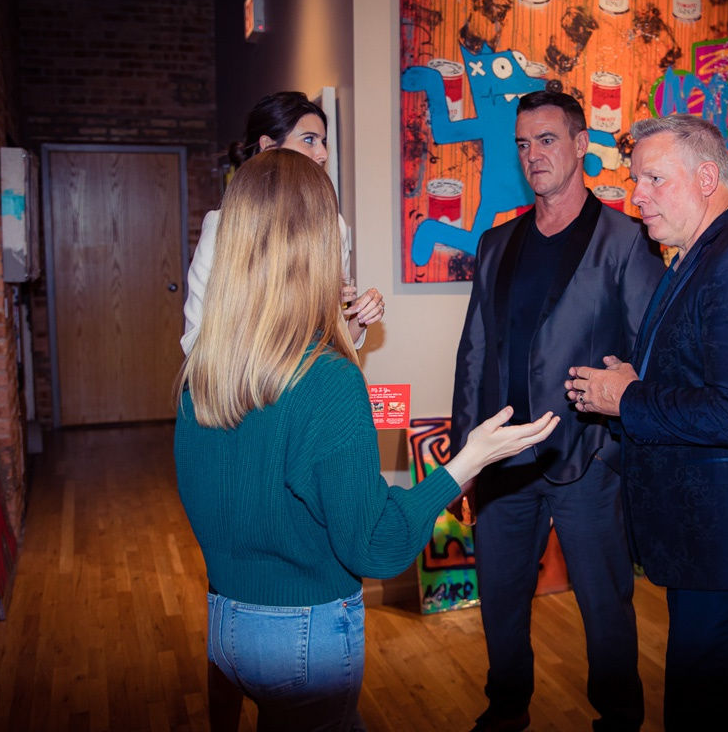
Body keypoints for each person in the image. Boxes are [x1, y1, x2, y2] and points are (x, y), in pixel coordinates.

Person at [174, 148, 559, 732]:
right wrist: (468, 462)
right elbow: (375, 545)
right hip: (302, 639)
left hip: (227, 629)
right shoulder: (326, 380)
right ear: (317, 248)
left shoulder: (204, 369)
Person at [564, 114, 728, 731]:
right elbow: (702, 382)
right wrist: (636, 382)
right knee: (716, 707)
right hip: (708, 543)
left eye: (653, 178)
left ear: (708, 178)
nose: (637, 195)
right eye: (635, 180)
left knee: (700, 711)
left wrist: (628, 398)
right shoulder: (696, 256)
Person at [451, 90, 665, 732]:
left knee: (605, 607)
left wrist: (616, 448)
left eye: (547, 140)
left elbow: (650, 355)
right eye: (523, 144)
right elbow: (474, 354)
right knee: (501, 601)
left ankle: (619, 718)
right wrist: (465, 459)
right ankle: (506, 708)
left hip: (588, 462)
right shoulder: (497, 243)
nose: (533, 154)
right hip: (503, 461)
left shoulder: (626, 240)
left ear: (579, 145)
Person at [181, 91, 384, 355]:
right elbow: (195, 339)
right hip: (245, 378)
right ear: (268, 146)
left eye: (323, 142)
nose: (322, 153)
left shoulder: (333, 226)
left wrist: (358, 317)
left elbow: (336, 343)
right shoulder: (224, 226)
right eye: (309, 140)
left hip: (315, 377)